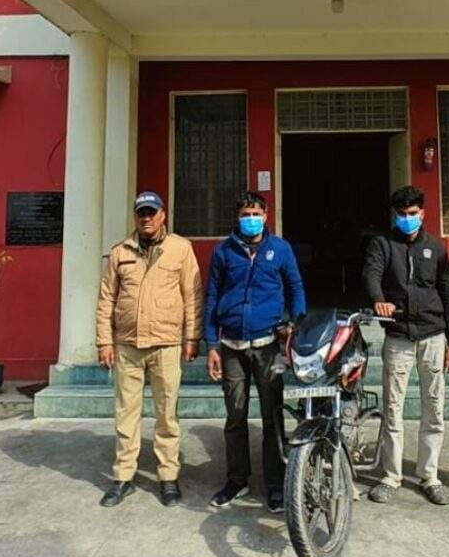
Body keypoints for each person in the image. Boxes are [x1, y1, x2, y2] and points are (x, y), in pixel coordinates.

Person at [95, 191, 203, 508]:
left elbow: (192, 296)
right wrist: (104, 341)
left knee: (167, 415)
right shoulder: (120, 252)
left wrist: (192, 338)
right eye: (141, 213)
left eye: (151, 212)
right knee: (126, 415)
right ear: (135, 217)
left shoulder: (180, 249)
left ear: (162, 215)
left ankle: (168, 477)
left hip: (166, 344)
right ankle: (123, 477)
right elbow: (106, 299)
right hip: (127, 345)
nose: (146, 218)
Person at [205, 191, 306, 514]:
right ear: (237, 218)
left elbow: (295, 287)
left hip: (268, 346)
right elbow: (211, 298)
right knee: (235, 416)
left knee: (271, 417)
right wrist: (211, 344)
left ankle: (275, 485)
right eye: (245, 214)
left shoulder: (280, 249)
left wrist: (295, 323)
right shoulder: (223, 251)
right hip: (231, 347)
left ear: (266, 216)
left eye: (256, 214)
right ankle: (237, 480)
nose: (251, 219)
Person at [362, 184, 449, 507]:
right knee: (393, 408)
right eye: (402, 214)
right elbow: (371, 275)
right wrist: (379, 299)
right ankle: (391, 476)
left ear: (423, 213)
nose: (407, 219)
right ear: (395, 215)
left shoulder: (436, 248)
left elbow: (447, 294)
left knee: (434, 408)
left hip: (433, 336)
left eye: (413, 213)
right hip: (398, 336)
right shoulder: (383, 244)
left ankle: (430, 476)